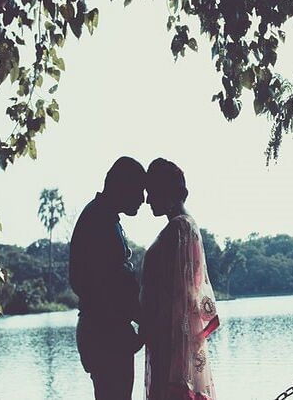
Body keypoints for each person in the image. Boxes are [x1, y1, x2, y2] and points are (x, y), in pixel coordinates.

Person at [140, 158, 220, 400]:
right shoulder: (185, 227)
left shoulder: (178, 230)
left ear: (166, 192)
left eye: (151, 192)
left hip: (169, 339)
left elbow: (172, 294)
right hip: (170, 337)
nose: (147, 200)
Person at [69, 156, 146, 400]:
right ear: (123, 187)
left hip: (105, 332)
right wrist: (139, 320)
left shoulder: (103, 216)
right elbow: (98, 284)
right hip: (105, 336)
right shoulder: (99, 220)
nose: (143, 199)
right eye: (139, 190)